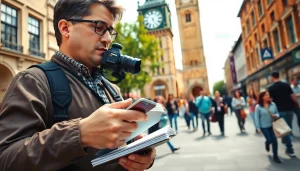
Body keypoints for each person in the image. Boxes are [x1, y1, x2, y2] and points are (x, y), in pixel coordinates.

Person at [0, 1, 156, 170]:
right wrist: (80, 134)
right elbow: (6, 159)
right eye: (99, 27)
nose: (108, 39)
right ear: (65, 28)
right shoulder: (33, 81)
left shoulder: (112, 88)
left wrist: (143, 153)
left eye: (110, 31)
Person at [268, 71, 299, 157]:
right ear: (279, 76)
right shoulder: (286, 85)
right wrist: (297, 104)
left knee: (286, 131)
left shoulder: (271, 88)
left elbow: (270, 100)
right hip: (290, 109)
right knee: (288, 128)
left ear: (272, 77)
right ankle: (287, 142)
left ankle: (290, 149)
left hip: (280, 111)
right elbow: (292, 96)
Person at [254, 91, 282, 163]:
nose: (268, 96)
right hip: (264, 126)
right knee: (269, 139)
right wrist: (258, 128)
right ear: (262, 97)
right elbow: (256, 118)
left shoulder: (273, 104)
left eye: (268, 95)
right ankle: (267, 143)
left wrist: (276, 115)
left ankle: (275, 156)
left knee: (274, 140)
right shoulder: (258, 107)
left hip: (273, 125)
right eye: (266, 95)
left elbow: (278, 113)